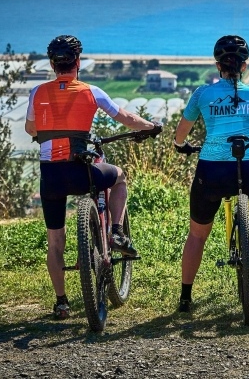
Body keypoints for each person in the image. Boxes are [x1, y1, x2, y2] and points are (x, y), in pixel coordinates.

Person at [25, 35, 161, 319]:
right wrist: (150, 126)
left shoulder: (37, 93)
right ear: (78, 63)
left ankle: (61, 302)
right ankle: (116, 232)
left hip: (51, 176)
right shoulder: (91, 91)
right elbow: (125, 117)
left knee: (55, 242)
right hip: (80, 174)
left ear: (52, 64)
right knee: (119, 177)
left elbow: (31, 129)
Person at [173, 35, 249, 313]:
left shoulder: (202, 95)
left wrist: (181, 146)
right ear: (244, 66)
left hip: (210, 173)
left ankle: (185, 297)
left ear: (218, 66)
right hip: (246, 172)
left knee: (196, 236)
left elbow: (181, 134)